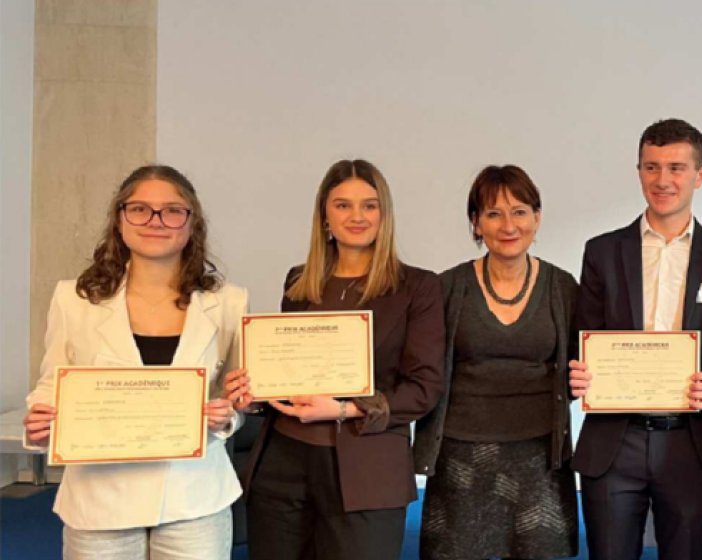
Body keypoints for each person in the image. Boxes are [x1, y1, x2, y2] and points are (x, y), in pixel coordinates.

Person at [23, 165, 249, 559]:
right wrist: (41, 420)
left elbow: (236, 396)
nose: (156, 221)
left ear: (192, 223)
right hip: (100, 496)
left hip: (192, 496)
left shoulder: (229, 302)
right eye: (140, 209)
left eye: (172, 210)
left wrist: (227, 415)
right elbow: (51, 383)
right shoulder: (73, 299)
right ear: (119, 219)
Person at [239, 159, 445, 560]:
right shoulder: (298, 282)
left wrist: (345, 408)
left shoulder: (418, 287)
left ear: (384, 215)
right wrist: (255, 393)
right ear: (324, 216)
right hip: (282, 465)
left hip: (367, 470)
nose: (357, 216)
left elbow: (424, 388)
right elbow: (288, 371)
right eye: (343, 205)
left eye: (370, 205)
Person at [568, 118, 702, 560]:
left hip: (690, 441)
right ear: (639, 170)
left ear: (699, 176)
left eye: (676, 168)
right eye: (651, 167)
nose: (662, 180)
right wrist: (581, 371)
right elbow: (582, 338)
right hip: (613, 440)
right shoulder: (602, 251)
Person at [413, 165, 579, 559]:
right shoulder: (446, 287)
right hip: (461, 457)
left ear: (537, 218)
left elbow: (579, 368)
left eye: (520, 211)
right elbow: (424, 369)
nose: (509, 225)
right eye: (493, 213)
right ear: (475, 223)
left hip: (540, 455)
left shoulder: (562, 286)